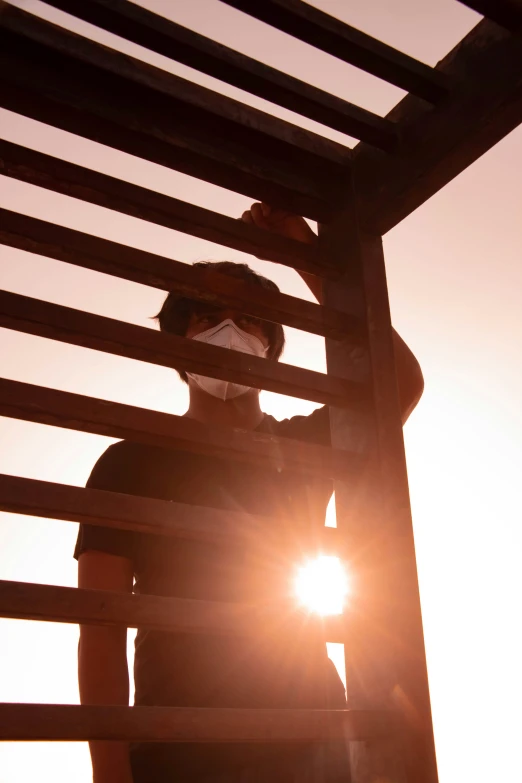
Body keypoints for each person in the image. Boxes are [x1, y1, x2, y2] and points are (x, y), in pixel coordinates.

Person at [75, 204, 424, 783]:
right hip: (180, 752)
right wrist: (111, 774)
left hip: (314, 746)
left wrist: (305, 256)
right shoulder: (129, 461)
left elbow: (400, 381)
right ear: (176, 344)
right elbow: (100, 627)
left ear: (273, 346)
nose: (231, 330)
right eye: (208, 316)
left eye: (253, 319)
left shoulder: (311, 446)